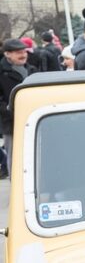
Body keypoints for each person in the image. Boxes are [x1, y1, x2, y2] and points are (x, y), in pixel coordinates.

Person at [1, 39, 39, 176]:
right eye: (18, 52)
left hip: (33, 117)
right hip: (11, 122)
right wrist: (11, 111)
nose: (23, 55)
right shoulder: (2, 72)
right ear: (7, 54)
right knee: (14, 157)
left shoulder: (31, 69)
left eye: (24, 51)